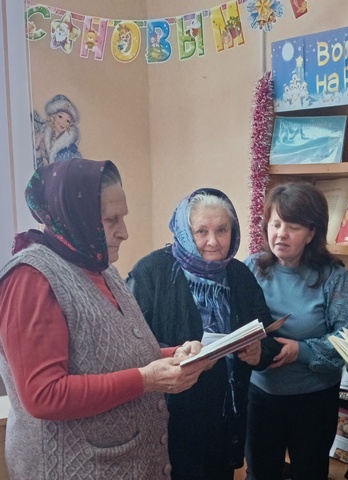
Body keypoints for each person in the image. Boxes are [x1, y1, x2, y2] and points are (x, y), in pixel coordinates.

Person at [0, 158, 210, 479]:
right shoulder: (31, 278)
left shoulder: (101, 269)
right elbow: (44, 395)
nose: (124, 232)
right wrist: (146, 379)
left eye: (122, 218)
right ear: (74, 216)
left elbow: (114, 354)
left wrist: (176, 355)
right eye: (111, 220)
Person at [126, 188, 281, 480]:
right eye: (201, 231)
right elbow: (129, 344)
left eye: (222, 230)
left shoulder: (239, 275)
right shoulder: (151, 272)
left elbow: (267, 333)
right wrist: (179, 355)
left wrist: (260, 352)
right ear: (185, 232)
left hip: (224, 420)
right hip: (169, 420)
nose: (213, 241)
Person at [244, 182, 348, 480]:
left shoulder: (334, 277)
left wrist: (301, 351)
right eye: (276, 224)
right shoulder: (252, 267)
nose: (281, 234)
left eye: (293, 227)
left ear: (311, 233)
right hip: (260, 395)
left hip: (314, 399)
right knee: (259, 473)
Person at [32, 94, 82, 168]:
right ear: (53, 116)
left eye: (67, 120)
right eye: (60, 116)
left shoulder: (70, 148)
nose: (63, 123)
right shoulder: (43, 136)